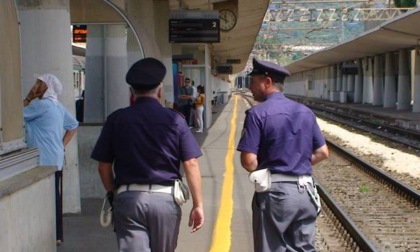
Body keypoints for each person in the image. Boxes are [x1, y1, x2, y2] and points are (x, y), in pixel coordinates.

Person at [91, 57, 204, 251]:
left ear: (131, 92)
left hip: (128, 200)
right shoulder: (175, 120)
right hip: (164, 201)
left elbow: (103, 166)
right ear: (160, 90)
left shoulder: (116, 119)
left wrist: (113, 195)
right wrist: (198, 204)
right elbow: (191, 163)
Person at [236, 58, 329, 252]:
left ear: (267, 82)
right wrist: (295, 164)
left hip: (275, 194)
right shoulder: (305, 112)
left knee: (271, 247)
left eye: (253, 82)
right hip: (306, 192)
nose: (250, 88)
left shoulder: (257, 114)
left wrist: (269, 172)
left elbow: (248, 160)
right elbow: (322, 152)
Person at [23, 74, 79, 245]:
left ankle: (46, 234)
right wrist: (62, 146)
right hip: (56, 157)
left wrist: (27, 98)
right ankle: (57, 234)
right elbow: (73, 125)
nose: (34, 86)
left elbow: (13, 116)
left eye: (38, 83)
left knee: (43, 198)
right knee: (56, 196)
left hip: (43, 159)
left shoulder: (40, 106)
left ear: (46, 87)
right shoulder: (57, 106)